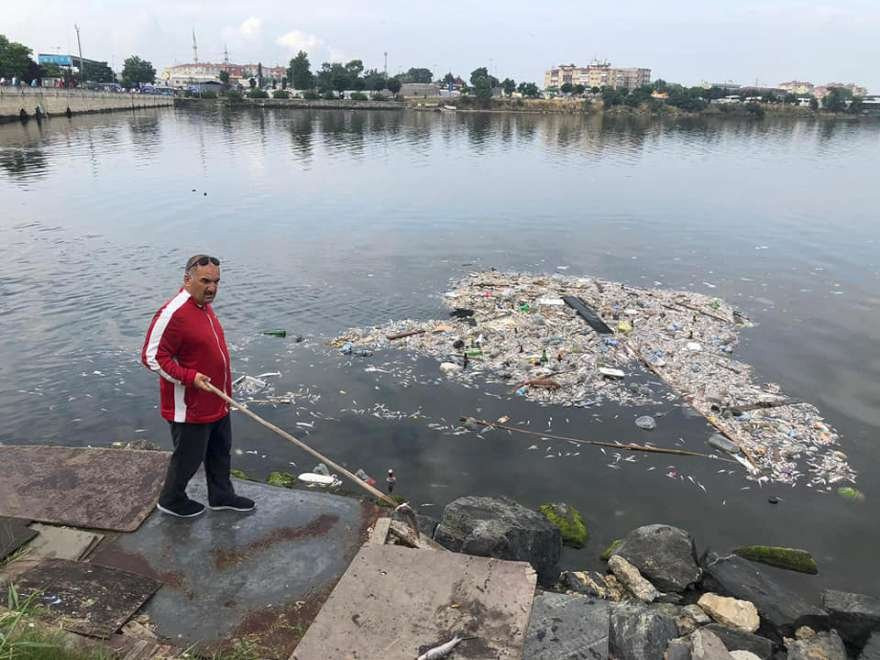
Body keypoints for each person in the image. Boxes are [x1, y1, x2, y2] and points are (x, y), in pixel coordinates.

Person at [141, 254, 255, 518]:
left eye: (216, 281)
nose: (212, 288)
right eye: (205, 281)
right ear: (187, 279)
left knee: (219, 451)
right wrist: (190, 377)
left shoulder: (203, 306)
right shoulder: (173, 312)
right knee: (188, 458)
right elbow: (151, 356)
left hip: (217, 399)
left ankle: (221, 495)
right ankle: (171, 499)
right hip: (189, 406)